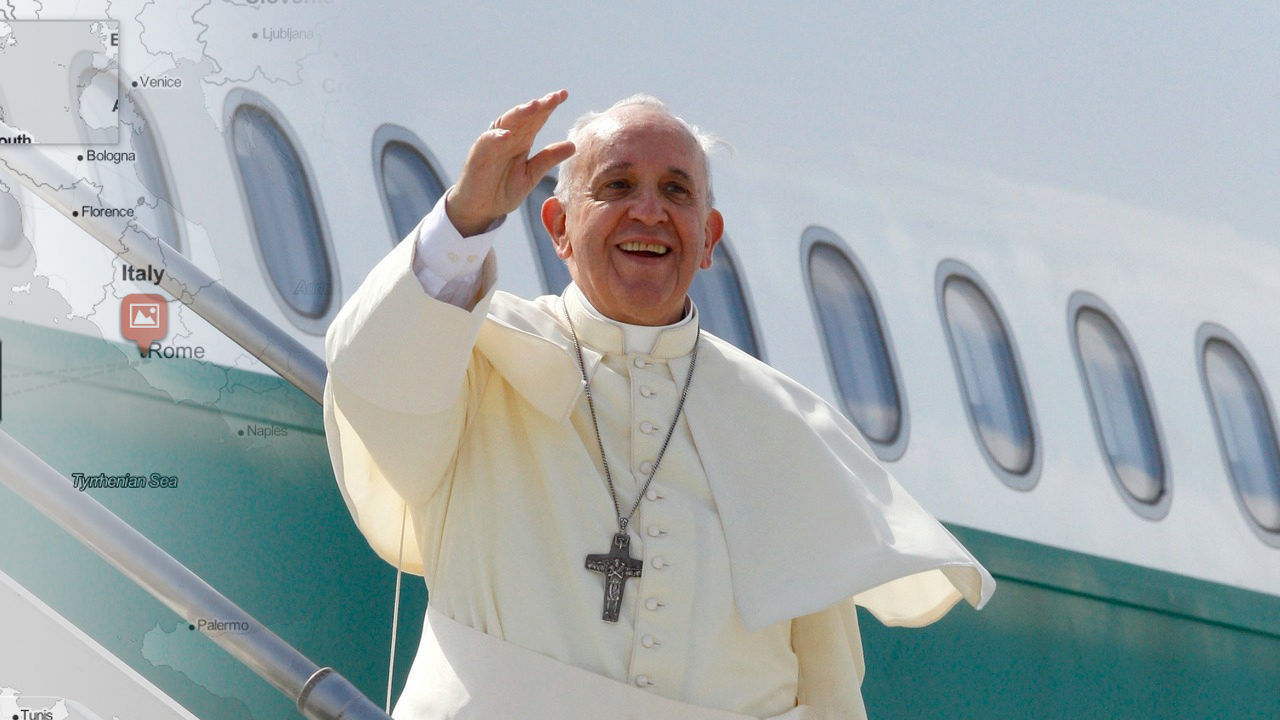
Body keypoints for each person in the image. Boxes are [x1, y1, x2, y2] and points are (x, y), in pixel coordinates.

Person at [323, 89, 995, 720]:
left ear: (709, 238)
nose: (649, 211)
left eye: (676, 191)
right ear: (558, 225)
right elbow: (374, 378)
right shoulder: (473, 355)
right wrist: (465, 218)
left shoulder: (785, 428)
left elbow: (826, 684)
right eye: (616, 186)